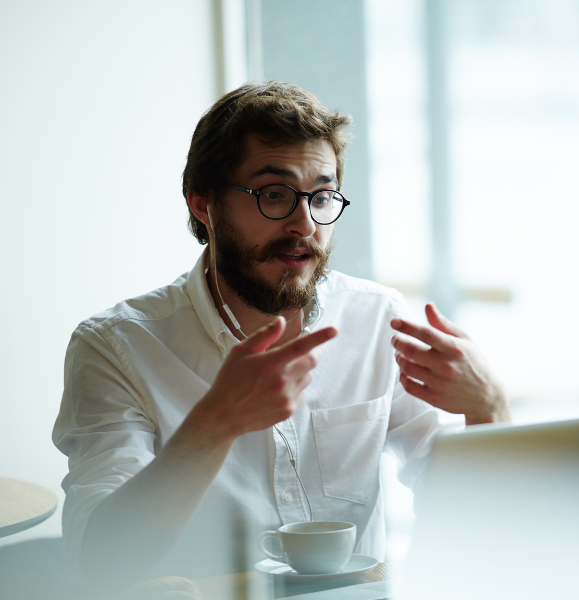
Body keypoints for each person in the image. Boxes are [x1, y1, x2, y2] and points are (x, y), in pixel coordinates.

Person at [53, 81, 510, 589]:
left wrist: (488, 412)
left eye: (322, 195)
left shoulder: (377, 319)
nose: (304, 222)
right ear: (204, 204)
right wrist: (215, 422)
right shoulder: (116, 347)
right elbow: (103, 560)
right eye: (274, 194)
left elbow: (467, 523)